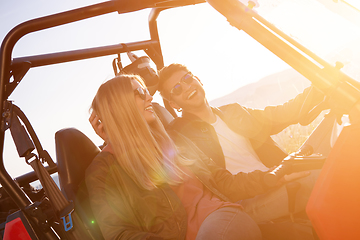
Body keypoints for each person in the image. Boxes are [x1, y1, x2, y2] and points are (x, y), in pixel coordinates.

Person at [86, 74, 309, 240]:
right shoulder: (103, 170)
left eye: (146, 90)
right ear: (118, 106)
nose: (150, 96)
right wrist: (117, 138)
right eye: (139, 92)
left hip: (221, 216)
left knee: (315, 177)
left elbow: (222, 182)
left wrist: (272, 177)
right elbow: (118, 234)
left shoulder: (173, 141)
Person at [157, 63, 328, 223]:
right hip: (248, 201)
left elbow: (279, 114)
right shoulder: (182, 135)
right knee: (321, 175)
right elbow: (223, 184)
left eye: (187, 79)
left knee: (340, 129)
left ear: (198, 79)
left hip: (278, 175)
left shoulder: (232, 111)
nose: (187, 87)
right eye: (177, 89)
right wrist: (272, 178)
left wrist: (319, 87)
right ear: (173, 104)